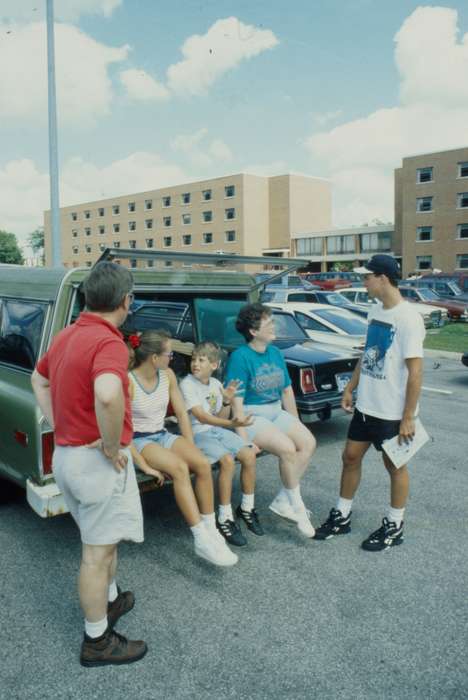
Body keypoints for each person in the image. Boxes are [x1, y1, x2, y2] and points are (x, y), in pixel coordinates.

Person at [31, 262, 147, 668]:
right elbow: (108, 394)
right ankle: (97, 641)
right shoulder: (109, 343)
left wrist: (59, 423)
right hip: (96, 462)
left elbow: (38, 379)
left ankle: (110, 601)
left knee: (104, 540)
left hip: (68, 457)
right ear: (125, 301)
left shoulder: (67, 335)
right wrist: (112, 444)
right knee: (94, 555)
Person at [314, 254, 425, 551]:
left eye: (367, 277)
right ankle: (342, 515)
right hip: (367, 406)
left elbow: (416, 373)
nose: (363, 282)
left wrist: (408, 417)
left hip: (392, 412)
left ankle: (394, 525)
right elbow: (369, 354)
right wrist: (350, 387)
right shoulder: (376, 311)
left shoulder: (409, 318)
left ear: (383, 278)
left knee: (395, 467)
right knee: (350, 457)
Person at [128, 330, 238, 566]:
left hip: (161, 433)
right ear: (154, 358)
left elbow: (181, 413)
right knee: (178, 468)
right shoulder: (128, 382)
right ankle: (200, 538)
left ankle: (211, 529)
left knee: (201, 463)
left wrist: (190, 445)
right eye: (169, 353)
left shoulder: (166, 374)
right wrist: (144, 465)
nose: (173, 358)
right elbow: (121, 432)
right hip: (139, 440)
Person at [224, 303, 317, 538]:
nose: (274, 325)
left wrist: (297, 424)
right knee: (287, 449)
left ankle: (284, 500)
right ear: (254, 332)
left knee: (308, 443)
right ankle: (297, 507)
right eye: (269, 323)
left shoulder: (275, 353)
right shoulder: (240, 357)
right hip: (252, 415)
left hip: (276, 411)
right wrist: (243, 440)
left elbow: (287, 391)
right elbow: (236, 403)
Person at [179, 342, 260, 547]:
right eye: (193, 359)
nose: (195, 364)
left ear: (214, 365)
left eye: (201, 360)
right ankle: (225, 517)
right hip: (196, 433)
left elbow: (219, 416)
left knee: (249, 454)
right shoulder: (187, 384)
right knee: (227, 460)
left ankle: (247, 508)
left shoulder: (215, 384)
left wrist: (226, 402)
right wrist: (232, 423)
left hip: (215, 430)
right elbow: (201, 417)